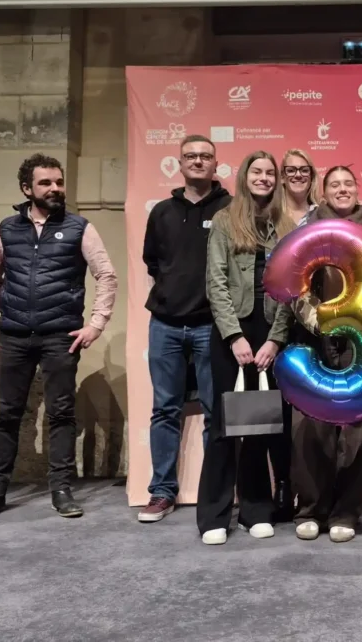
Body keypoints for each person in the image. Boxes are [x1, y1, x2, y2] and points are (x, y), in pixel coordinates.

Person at [0, 154, 117, 522]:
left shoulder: (81, 227)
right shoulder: (7, 228)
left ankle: (61, 490)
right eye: (46, 183)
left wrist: (96, 324)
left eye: (59, 182)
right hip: (14, 335)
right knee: (7, 415)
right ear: (26, 188)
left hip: (59, 336)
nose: (55, 189)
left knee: (62, 413)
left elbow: (106, 275)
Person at [197, 151, 295, 545]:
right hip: (231, 334)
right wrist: (233, 335)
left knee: (260, 423)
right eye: (257, 171)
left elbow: (293, 289)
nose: (264, 177)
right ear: (244, 176)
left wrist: (276, 338)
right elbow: (215, 282)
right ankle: (214, 516)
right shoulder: (224, 220)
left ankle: (256, 509)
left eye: (270, 172)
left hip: (269, 332)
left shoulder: (285, 226)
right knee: (223, 424)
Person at [138, 135, 231, 523]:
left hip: (213, 325)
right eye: (191, 156)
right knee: (165, 410)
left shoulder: (230, 208)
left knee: (215, 412)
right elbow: (153, 263)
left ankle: (214, 492)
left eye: (205, 156)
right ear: (180, 163)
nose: (198, 161)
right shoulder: (161, 211)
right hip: (166, 324)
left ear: (216, 164)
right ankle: (161, 492)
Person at [290, 166, 362, 543]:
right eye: (334, 185)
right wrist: (319, 321)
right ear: (323, 192)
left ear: (357, 190)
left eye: (348, 183)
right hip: (317, 337)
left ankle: (346, 512)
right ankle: (312, 508)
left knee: (355, 428)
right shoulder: (307, 227)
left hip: (361, 340)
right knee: (313, 428)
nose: (342, 189)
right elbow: (294, 281)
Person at [268, 147, 320, 521]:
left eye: (305, 170)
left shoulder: (322, 217)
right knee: (272, 411)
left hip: (305, 323)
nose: (298, 175)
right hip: (266, 321)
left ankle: (302, 488)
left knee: (304, 414)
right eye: (291, 170)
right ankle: (280, 484)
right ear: (282, 176)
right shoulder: (267, 216)